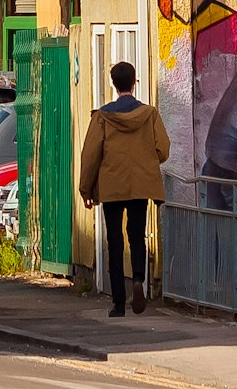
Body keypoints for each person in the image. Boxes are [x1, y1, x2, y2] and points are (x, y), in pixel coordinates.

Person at [80, 62, 170, 317]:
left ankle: (118, 302)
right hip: (140, 185)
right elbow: (163, 149)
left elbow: (91, 156)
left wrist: (86, 190)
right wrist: (145, 162)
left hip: (112, 186)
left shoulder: (102, 117)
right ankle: (139, 279)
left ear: (113, 83)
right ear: (134, 82)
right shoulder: (149, 114)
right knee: (137, 234)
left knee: (115, 242)